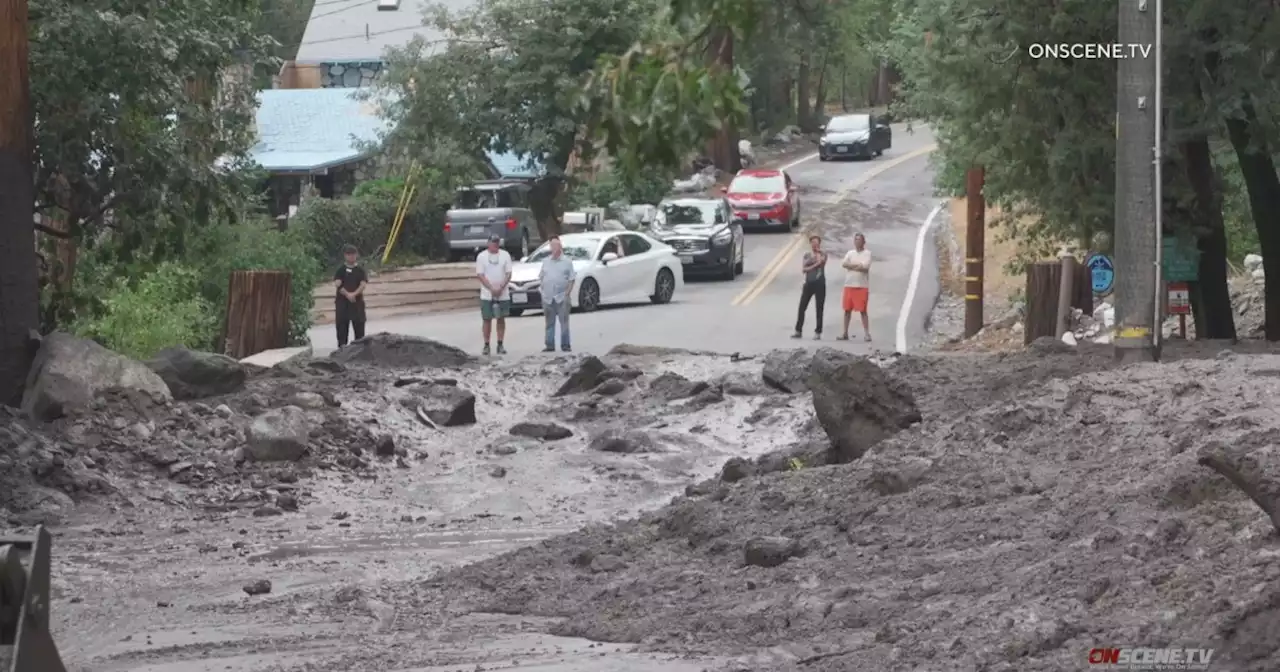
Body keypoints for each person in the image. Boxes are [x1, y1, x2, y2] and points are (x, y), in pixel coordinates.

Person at [475, 234, 513, 355]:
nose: (495, 245)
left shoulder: (505, 255)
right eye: (493, 242)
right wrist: (491, 288)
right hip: (487, 294)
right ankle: (486, 344)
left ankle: (500, 344)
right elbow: (480, 274)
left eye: (497, 242)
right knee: (487, 319)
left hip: (502, 293)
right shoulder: (481, 257)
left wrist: (501, 287)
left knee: (501, 319)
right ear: (488, 243)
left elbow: (508, 273)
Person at [538, 236, 576, 352]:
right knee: (549, 323)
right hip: (548, 297)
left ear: (560, 247)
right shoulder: (546, 261)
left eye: (555, 246)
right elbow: (541, 277)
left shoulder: (567, 262)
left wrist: (567, 294)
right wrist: (542, 291)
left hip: (561, 297)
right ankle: (549, 345)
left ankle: (565, 345)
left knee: (564, 322)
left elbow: (571, 279)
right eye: (551, 246)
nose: (553, 248)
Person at [839, 232, 873, 342]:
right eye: (856, 239)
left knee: (863, 310)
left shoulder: (867, 253)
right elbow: (844, 264)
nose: (857, 241)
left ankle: (867, 334)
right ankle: (845, 333)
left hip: (861, 285)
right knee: (847, 310)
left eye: (859, 240)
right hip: (849, 284)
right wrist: (857, 265)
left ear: (863, 242)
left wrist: (851, 265)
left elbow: (865, 267)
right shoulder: (850, 253)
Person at [793, 234, 827, 340]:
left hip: (820, 283)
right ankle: (798, 330)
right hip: (809, 283)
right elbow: (804, 268)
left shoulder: (823, 254)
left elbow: (822, 262)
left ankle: (818, 331)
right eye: (812, 243)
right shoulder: (807, 254)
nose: (814, 245)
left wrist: (814, 261)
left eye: (816, 243)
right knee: (802, 306)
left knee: (819, 308)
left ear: (819, 244)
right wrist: (814, 263)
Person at [333, 244, 368, 348]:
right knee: (342, 331)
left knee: (360, 332)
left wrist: (354, 294)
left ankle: (360, 353)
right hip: (342, 305)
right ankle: (342, 351)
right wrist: (348, 294)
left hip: (357, 304)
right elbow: (338, 284)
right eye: (349, 254)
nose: (351, 256)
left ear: (356, 255)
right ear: (345, 256)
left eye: (353, 254)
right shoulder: (340, 270)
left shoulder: (360, 270)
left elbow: (363, 284)